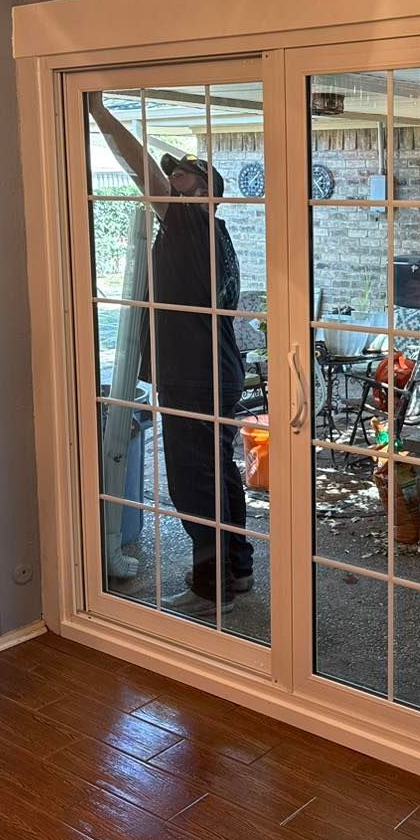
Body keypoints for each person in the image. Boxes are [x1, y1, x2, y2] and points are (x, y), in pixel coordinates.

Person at [88, 94, 254, 618]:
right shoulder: (213, 233)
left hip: (197, 377)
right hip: (214, 372)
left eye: (182, 177)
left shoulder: (190, 222)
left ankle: (212, 588)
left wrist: (98, 111)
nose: (168, 183)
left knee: (193, 481)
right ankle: (238, 569)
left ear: (206, 193)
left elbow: (137, 167)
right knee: (220, 473)